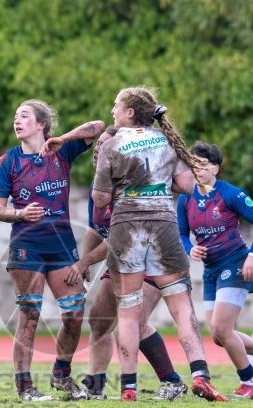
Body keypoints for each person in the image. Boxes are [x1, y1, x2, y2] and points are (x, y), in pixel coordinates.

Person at [92, 86, 226, 401]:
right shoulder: (166, 141)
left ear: (129, 112)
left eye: (116, 105)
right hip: (164, 227)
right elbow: (187, 186)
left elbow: (100, 199)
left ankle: (128, 388)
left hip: (127, 229)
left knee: (127, 313)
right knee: (181, 308)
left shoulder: (112, 144)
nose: (112, 110)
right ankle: (200, 375)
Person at [0, 99, 104, 401]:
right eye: (15, 116)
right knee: (29, 316)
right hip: (26, 249)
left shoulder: (62, 152)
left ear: (41, 124)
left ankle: (61, 376)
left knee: (75, 314)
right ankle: (25, 387)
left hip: (62, 247)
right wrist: (19, 213)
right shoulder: (8, 162)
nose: (17, 121)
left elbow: (99, 126)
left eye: (24, 116)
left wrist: (63, 139)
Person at [70, 127, 186, 400]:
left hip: (149, 257)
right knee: (100, 319)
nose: (99, 149)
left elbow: (116, 240)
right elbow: (96, 229)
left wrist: (84, 261)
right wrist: (84, 261)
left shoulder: (130, 184)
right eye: (98, 145)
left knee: (134, 322)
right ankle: (95, 388)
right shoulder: (98, 187)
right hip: (120, 260)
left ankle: (172, 381)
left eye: (105, 145)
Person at [177, 141, 253, 399]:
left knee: (222, 329)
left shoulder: (231, 194)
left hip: (235, 264)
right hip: (210, 270)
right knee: (220, 336)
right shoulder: (185, 198)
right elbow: (182, 234)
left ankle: (249, 382)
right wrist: (190, 249)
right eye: (193, 165)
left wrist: (251, 255)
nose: (197, 170)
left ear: (216, 169)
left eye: (203, 166)